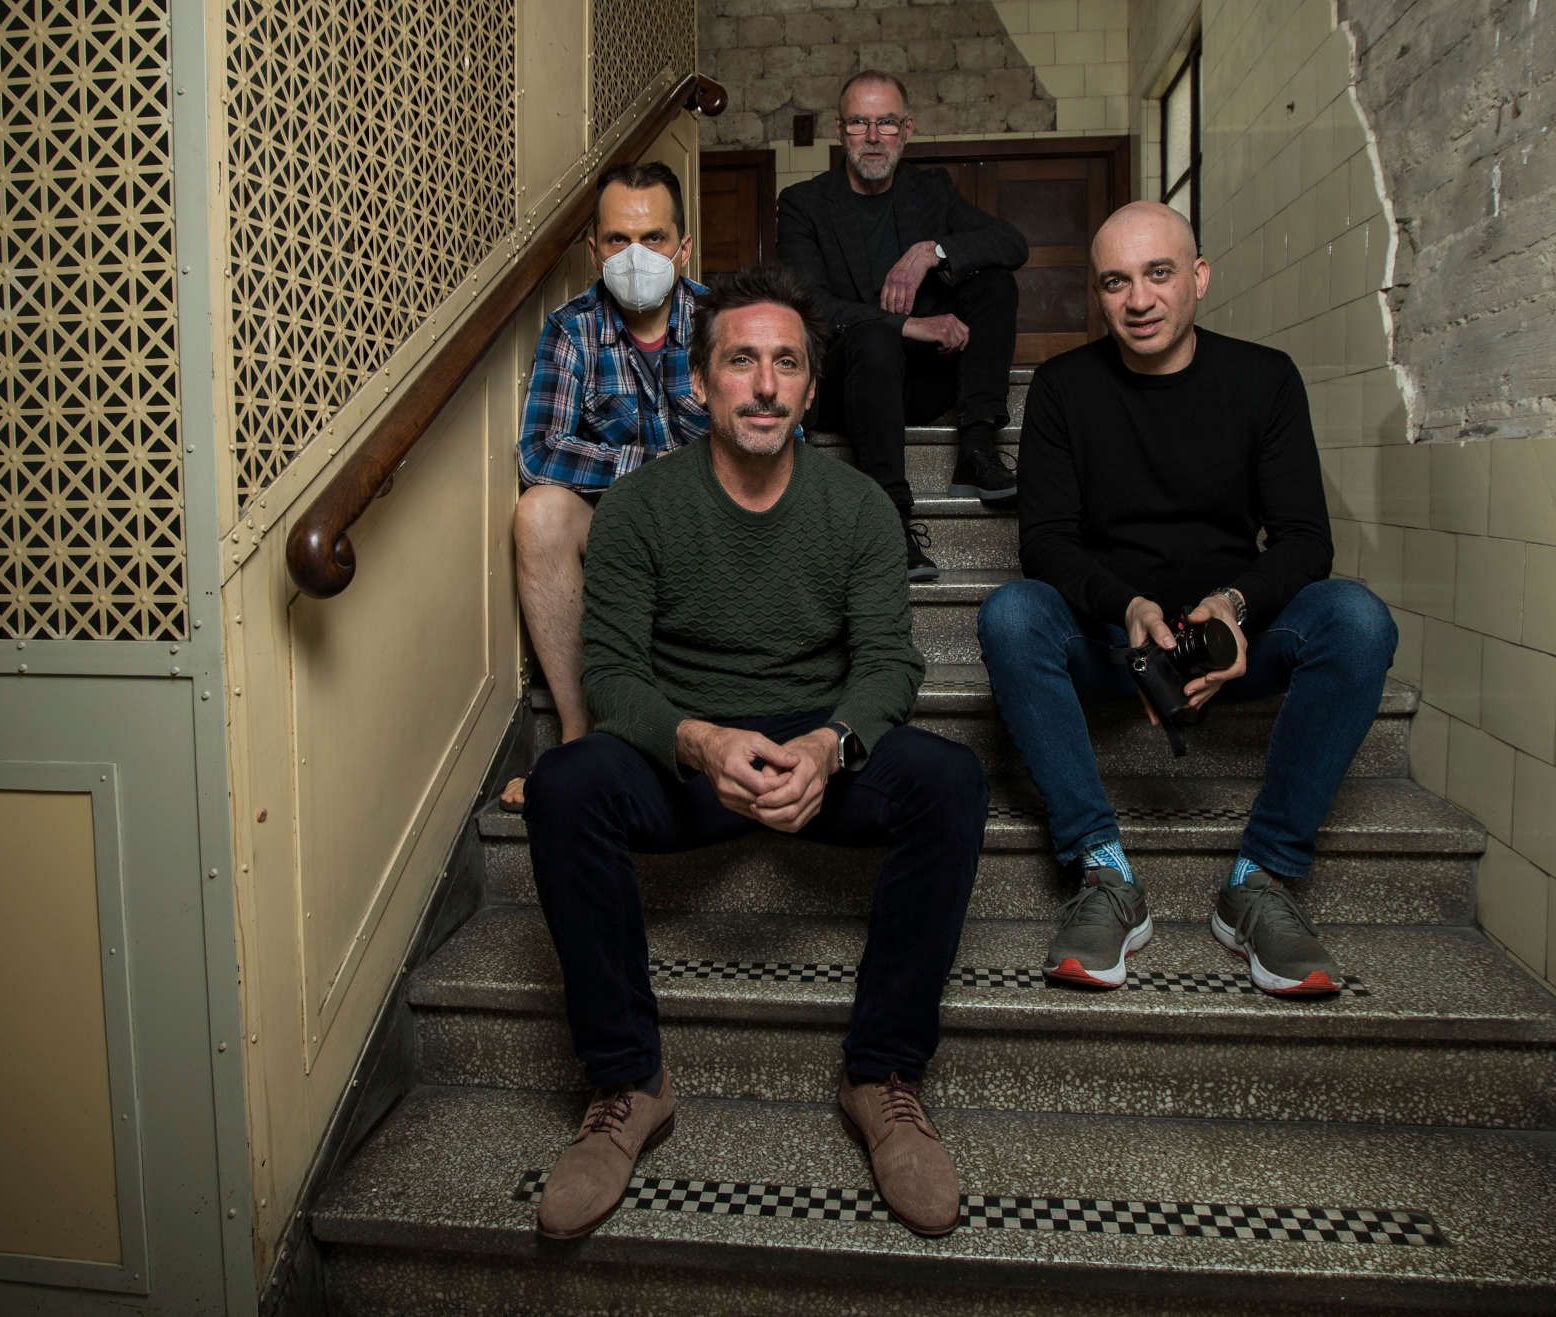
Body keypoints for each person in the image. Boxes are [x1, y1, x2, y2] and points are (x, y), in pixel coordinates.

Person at [522, 266, 987, 1242]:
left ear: (811, 389)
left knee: (947, 779)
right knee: (567, 783)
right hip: (688, 759)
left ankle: (882, 1077)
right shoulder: (642, 508)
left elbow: (888, 665)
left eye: (786, 364)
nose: (765, 384)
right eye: (741, 361)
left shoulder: (858, 506)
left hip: (817, 755)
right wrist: (695, 740)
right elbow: (610, 672)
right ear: (700, 383)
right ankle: (624, 1086)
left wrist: (827, 744)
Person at [976, 202, 1397, 995]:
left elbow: (1306, 539)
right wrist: (1127, 604)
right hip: (1113, 638)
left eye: (1159, 273)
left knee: (1357, 619)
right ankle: (1104, 874)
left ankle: (1260, 880)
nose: (1139, 299)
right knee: (1011, 614)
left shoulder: (1264, 378)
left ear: (1198, 278)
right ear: (1097, 295)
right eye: (1116, 281)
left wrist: (1235, 604)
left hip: (1232, 637)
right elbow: (1048, 542)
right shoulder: (1064, 388)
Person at [503, 161, 707, 808]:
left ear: (683, 245)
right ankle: (575, 733)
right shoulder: (572, 328)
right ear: (593, 249)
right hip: (617, 526)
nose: (636, 255)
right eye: (618, 239)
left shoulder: (725, 323)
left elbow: (780, 441)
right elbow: (539, 450)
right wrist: (649, 471)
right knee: (538, 513)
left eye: (653, 237)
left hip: (717, 526)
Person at [777, 69, 1027, 580]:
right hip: (850, 386)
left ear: (907, 130)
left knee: (995, 281)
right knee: (872, 335)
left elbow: (1011, 243)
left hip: (923, 384)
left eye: (886, 123)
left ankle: (977, 448)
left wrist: (931, 252)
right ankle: (891, 518)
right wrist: (907, 324)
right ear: (841, 130)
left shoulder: (931, 190)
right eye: (859, 123)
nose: (873, 138)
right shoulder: (804, 203)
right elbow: (807, 303)